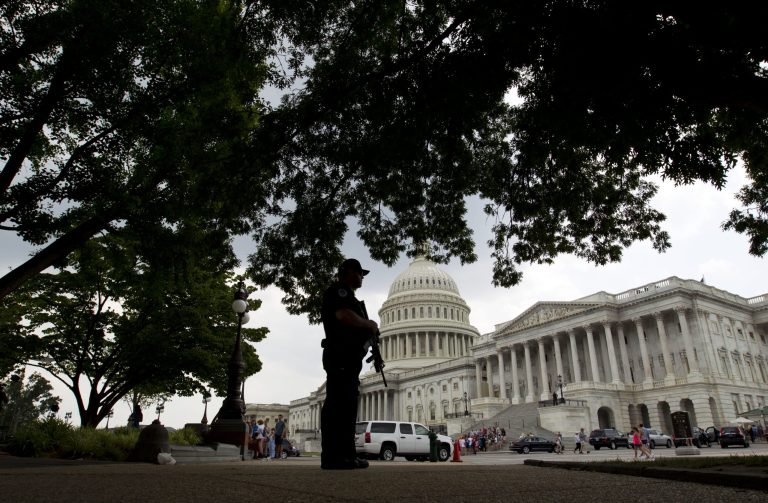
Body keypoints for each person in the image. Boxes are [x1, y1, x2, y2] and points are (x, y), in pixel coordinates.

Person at [320, 258, 379, 470]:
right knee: (338, 406)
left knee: (347, 408)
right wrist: (368, 324)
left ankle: (347, 455)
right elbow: (342, 315)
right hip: (340, 355)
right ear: (349, 272)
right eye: (360, 273)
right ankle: (333, 456)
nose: (362, 277)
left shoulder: (351, 297)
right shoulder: (338, 292)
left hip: (350, 358)